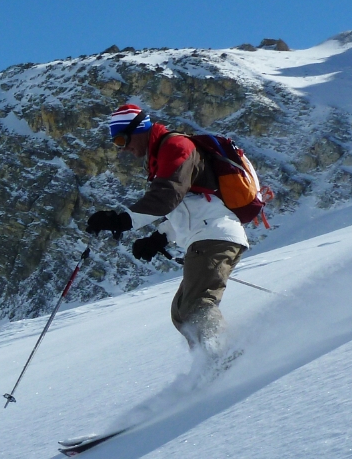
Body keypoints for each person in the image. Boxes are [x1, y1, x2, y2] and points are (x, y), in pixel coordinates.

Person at [85, 103, 249, 351]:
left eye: (121, 139)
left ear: (138, 128)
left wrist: (120, 221)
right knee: (181, 312)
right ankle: (206, 365)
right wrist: (159, 239)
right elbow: (187, 206)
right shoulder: (162, 154)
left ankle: (228, 356)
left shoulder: (176, 146)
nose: (123, 148)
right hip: (205, 236)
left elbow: (166, 196)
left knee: (198, 305)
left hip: (215, 235)